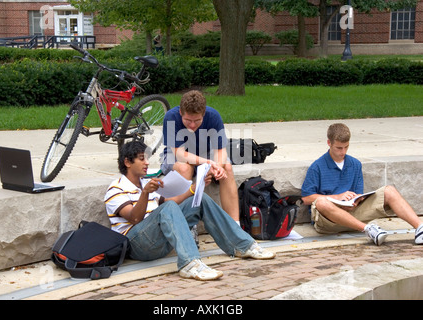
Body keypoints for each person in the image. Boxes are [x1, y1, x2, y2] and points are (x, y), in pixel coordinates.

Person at [104, 140, 275, 281]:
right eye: (142, 159)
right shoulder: (116, 188)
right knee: (168, 208)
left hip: (158, 240)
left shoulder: (145, 183)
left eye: (147, 158)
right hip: (137, 245)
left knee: (199, 200)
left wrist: (195, 188)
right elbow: (134, 219)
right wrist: (145, 193)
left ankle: (242, 245)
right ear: (127, 162)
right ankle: (189, 263)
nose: (147, 162)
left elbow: (172, 201)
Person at [301, 123, 423, 246]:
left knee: (389, 191)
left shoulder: (355, 164)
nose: (343, 151)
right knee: (321, 202)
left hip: (353, 214)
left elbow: (359, 194)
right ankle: (369, 230)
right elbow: (305, 199)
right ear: (329, 143)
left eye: (346, 147)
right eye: (339, 148)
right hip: (328, 222)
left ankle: (420, 228)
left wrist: (355, 202)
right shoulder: (317, 167)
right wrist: (337, 198)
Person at [160, 90, 240, 224]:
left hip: (204, 153)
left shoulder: (213, 116)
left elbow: (220, 151)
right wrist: (208, 162)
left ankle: (234, 226)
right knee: (185, 168)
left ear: (204, 114)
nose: (192, 125)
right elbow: (180, 154)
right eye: (187, 120)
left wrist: (217, 168)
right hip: (175, 154)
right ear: (180, 112)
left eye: (197, 120)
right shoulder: (171, 117)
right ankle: (186, 224)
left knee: (227, 167)